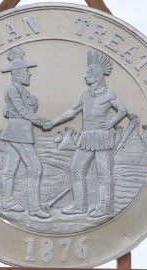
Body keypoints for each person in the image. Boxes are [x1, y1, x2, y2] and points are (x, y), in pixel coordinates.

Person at [49, 50, 128, 218]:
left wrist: (112, 123)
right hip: (87, 136)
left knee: (103, 173)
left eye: (88, 73)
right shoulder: (85, 94)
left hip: (102, 136)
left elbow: (122, 110)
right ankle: (79, 205)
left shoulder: (108, 93)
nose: (85, 76)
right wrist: (54, 122)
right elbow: (72, 112)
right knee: (75, 169)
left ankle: (105, 207)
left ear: (97, 75)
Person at [0, 46, 52, 219]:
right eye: (26, 72)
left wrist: (32, 105)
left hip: (18, 131)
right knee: (35, 168)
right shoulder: (12, 90)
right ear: (18, 73)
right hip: (18, 132)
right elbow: (23, 111)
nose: (30, 75)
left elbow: (30, 106)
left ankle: (7, 202)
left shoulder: (22, 90)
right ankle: (35, 208)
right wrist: (41, 120)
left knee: (10, 169)